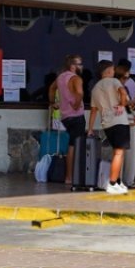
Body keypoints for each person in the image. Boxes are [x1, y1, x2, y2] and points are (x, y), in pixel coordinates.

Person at [89, 58, 131, 194]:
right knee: (119, 153)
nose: (114, 71)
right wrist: (122, 104)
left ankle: (118, 181)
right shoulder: (114, 81)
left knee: (117, 152)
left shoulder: (95, 88)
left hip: (106, 124)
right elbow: (123, 92)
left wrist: (90, 128)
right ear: (108, 71)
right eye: (113, 69)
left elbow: (93, 110)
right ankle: (112, 183)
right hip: (119, 120)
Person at [54, 54, 88, 188]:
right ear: (73, 66)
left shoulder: (60, 77)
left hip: (65, 116)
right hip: (76, 115)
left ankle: (69, 176)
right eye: (79, 64)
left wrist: (53, 102)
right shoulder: (76, 78)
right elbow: (80, 93)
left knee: (71, 145)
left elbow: (51, 89)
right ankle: (70, 176)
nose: (82, 66)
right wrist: (76, 104)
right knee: (75, 146)